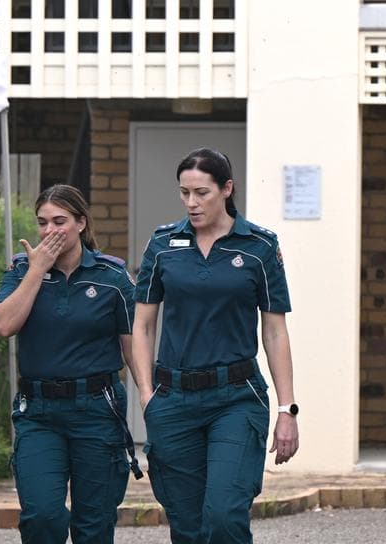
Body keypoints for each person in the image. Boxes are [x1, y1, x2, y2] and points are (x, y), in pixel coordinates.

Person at [132, 148, 298, 544]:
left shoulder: (258, 247)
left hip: (236, 398)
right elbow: (142, 325)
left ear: (227, 189)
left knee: (224, 516)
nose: (191, 203)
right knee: (187, 527)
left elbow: (274, 331)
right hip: (173, 400)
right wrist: (145, 395)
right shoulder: (163, 245)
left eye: (201, 193)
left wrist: (286, 408)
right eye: (184, 193)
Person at [0, 184, 140, 544]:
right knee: (42, 516)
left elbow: (135, 347)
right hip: (39, 413)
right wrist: (35, 270)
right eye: (42, 222)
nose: (48, 230)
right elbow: (4, 325)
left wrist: (152, 401)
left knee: (94, 526)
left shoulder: (112, 277)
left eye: (59, 221)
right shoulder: (21, 269)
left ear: (80, 223)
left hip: (97, 411)